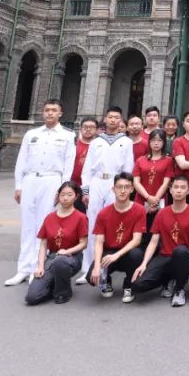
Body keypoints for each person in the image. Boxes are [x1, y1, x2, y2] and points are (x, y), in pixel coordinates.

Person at [5, 100, 76, 287]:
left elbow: (68, 164)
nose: (50, 113)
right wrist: (18, 185)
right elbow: (21, 161)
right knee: (27, 225)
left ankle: (38, 266)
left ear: (60, 113)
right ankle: (23, 268)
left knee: (44, 226)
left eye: (54, 110)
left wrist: (63, 190)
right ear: (43, 113)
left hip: (51, 180)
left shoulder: (68, 136)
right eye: (47, 110)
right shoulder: (32, 134)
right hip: (30, 179)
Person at [129, 175, 189, 307]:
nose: (179, 190)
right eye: (176, 187)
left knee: (180, 251)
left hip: (183, 258)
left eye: (182, 188)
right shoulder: (162, 213)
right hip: (164, 256)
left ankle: (179, 289)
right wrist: (144, 264)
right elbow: (153, 241)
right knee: (137, 286)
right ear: (170, 190)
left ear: (188, 191)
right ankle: (168, 280)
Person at [79, 106, 133, 281]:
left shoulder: (126, 141)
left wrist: (124, 189)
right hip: (97, 181)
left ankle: (106, 266)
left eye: (116, 117)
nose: (113, 120)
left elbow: (128, 167)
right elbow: (87, 168)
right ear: (105, 119)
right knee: (93, 222)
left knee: (112, 222)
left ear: (120, 120)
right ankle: (88, 265)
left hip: (115, 182)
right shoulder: (96, 141)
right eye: (110, 117)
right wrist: (85, 190)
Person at [25, 181, 88, 305]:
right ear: (58, 196)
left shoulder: (81, 217)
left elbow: (83, 244)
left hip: (72, 258)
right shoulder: (49, 218)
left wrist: (66, 252)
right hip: (52, 257)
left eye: (70, 194)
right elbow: (43, 244)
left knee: (60, 262)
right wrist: (40, 266)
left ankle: (63, 293)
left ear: (76, 197)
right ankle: (53, 286)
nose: (65, 198)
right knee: (32, 297)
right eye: (63, 194)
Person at [87, 172, 146, 302]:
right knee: (91, 278)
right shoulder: (103, 213)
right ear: (113, 189)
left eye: (126, 187)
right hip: (109, 252)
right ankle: (106, 281)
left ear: (132, 189)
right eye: (119, 187)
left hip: (127, 252)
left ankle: (128, 285)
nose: (123, 191)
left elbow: (137, 240)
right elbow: (98, 242)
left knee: (136, 254)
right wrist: (97, 267)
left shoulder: (139, 210)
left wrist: (117, 255)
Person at [132, 128, 174, 232]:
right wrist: (148, 197)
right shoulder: (140, 160)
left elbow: (166, 183)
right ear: (149, 142)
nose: (156, 143)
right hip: (141, 199)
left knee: (157, 230)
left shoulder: (168, 161)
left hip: (160, 200)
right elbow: (136, 182)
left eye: (159, 140)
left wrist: (155, 199)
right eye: (153, 140)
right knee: (140, 229)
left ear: (164, 143)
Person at [70, 117, 99, 212]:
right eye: (85, 127)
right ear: (80, 129)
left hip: (92, 188)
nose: (88, 129)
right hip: (73, 186)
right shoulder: (73, 145)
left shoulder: (99, 146)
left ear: (97, 130)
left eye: (91, 127)